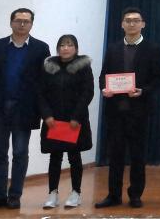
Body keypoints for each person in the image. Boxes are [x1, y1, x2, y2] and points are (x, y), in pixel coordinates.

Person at [0, 8, 51, 210]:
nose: (22, 24)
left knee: (20, 153)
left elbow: (45, 82)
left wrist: (43, 109)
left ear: (31, 24)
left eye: (26, 21)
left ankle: (15, 196)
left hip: (24, 109)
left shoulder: (41, 48)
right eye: (18, 20)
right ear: (11, 22)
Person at [95, 7, 160, 209]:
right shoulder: (113, 48)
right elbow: (103, 76)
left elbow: (157, 79)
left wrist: (142, 91)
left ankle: (135, 195)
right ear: (122, 24)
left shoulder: (152, 48)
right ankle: (113, 195)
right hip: (115, 112)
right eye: (128, 20)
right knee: (115, 155)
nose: (132, 23)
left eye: (136, 20)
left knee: (137, 156)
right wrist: (104, 89)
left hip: (139, 111)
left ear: (143, 24)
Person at [37, 35, 94, 209]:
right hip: (54, 121)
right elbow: (40, 93)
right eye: (62, 45)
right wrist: (46, 115)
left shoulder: (83, 67)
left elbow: (87, 92)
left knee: (74, 157)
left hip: (74, 121)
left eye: (69, 45)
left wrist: (76, 116)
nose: (65, 48)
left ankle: (76, 193)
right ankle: (52, 193)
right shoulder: (48, 66)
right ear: (58, 48)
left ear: (76, 48)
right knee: (55, 157)